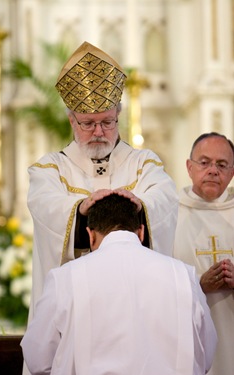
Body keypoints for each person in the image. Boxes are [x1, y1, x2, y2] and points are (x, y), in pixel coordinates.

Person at [26, 41, 178, 321]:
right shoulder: (49, 169)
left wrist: (140, 206)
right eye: (88, 123)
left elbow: (166, 197)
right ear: (72, 120)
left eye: (107, 122)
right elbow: (45, 205)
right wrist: (81, 209)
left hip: (136, 303)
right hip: (76, 309)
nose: (99, 131)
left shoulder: (144, 163)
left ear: (118, 115)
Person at [21, 193, 217, 375]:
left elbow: (38, 358)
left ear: (90, 235)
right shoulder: (183, 274)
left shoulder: (64, 278)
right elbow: (205, 352)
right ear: (141, 232)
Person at [173, 132, 234, 375]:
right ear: (189, 167)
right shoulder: (169, 214)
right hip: (187, 337)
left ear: (232, 172)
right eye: (204, 162)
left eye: (222, 165)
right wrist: (197, 285)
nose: (212, 170)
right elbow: (154, 283)